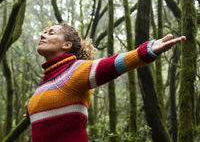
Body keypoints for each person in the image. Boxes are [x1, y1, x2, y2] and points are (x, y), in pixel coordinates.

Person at [27, 23, 186, 142]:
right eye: (44, 32)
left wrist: (147, 50)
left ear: (66, 45)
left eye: (51, 33)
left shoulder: (74, 71)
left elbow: (112, 65)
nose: (43, 35)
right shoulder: (44, 84)